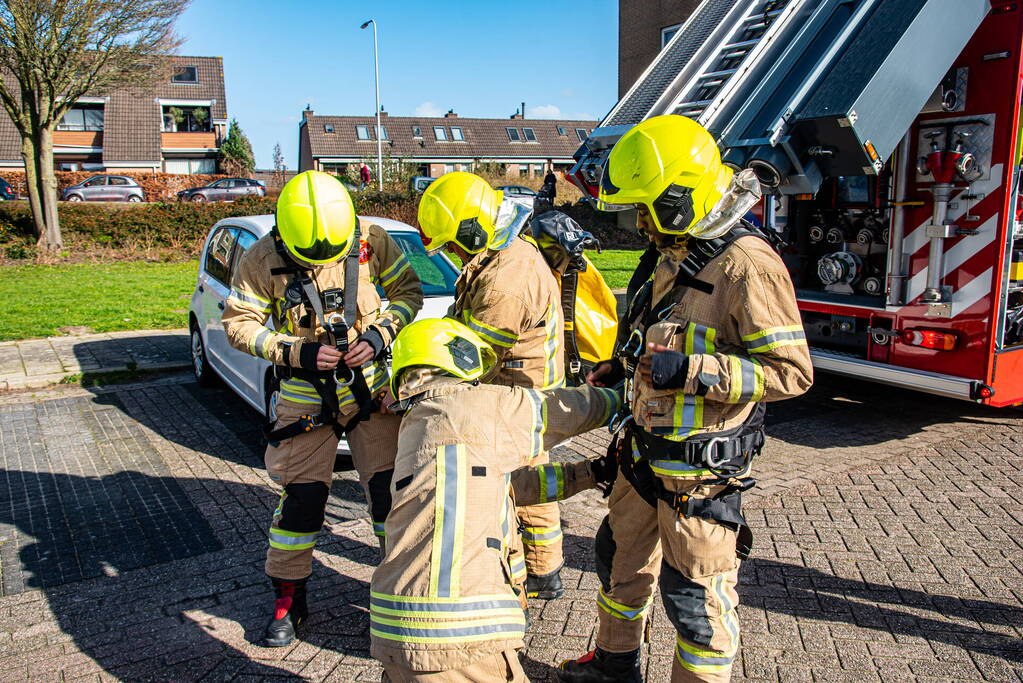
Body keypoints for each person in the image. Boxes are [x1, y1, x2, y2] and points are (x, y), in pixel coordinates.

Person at [558, 115, 813, 682]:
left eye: (649, 209)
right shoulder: (676, 248)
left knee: (696, 606)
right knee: (619, 566)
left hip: (699, 481)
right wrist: (622, 364)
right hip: (644, 460)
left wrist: (692, 371)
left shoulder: (748, 265)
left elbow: (792, 372)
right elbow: (661, 329)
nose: (641, 223)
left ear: (683, 197)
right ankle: (614, 665)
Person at [222, 170, 423, 647]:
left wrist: (379, 336)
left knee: (388, 496)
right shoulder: (261, 257)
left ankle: (397, 592)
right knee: (302, 501)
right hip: (303, 394)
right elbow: (238, 325)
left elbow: (408, 295)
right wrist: (295, 351)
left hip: (370, 391)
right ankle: (289, 598)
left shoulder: (372, 242)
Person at [370, 317, 621, 682]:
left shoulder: (423, 423)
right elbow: (573, 409)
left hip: (398, 627)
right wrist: (627, 393)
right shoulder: (476, 405)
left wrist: (591, 473)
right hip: (457, 632)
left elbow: (508, 487)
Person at [417, 171, 568, 601]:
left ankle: (523, 579)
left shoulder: (507, 278)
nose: (449, 252)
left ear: (470, 229)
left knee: (512, 486)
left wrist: (421, 385)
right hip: (522, 391)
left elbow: (477, 356)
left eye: (450, 243)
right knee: (531, 479)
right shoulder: (496, 255)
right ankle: (545, 570)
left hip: (518, 394)